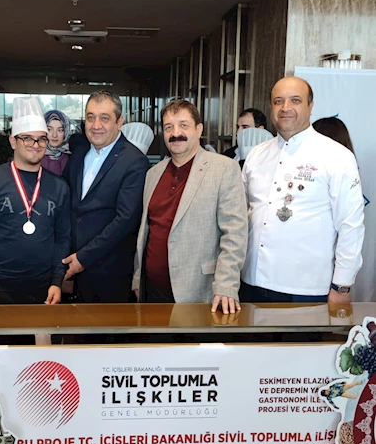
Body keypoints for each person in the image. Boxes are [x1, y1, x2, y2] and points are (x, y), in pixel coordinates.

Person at [241, 77, 365, 444]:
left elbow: (352, 224)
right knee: (259, 371)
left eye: (295, 100)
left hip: (306, 289)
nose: (286, 108)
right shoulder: (257, 154)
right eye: (278, 101)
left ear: (311, 106)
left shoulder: (335, 155)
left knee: (297, 379)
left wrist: (341, 286)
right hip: (254, 283)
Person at [133, 100, 248, 312]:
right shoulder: (153, 173)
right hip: (151, 292)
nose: (176, 133)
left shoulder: (224, 168)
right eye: (169, 127)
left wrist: (226, 286)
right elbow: (146, 231)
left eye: (183, 125)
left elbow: (235, 234)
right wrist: (138, 277)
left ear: (199, 129)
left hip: (198, 291)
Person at [0, 95, 70, 305]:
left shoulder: (59, 186)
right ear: (13, 141)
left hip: (43, 286)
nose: (36, 145)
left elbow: (63, 238)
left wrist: (57, 281)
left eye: (41, 139)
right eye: (27, 138)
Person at [64, 91, 149, 303]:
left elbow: (125, 220)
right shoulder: (78, 154)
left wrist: (84, 258)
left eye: (104, 118)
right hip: (73, 269)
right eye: (90, 117)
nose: (96, 125)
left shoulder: (134, 161)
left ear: (120, 122)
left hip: (109, 273)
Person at [42, 109, 71, 176]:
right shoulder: (35, 156)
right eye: (49, 129)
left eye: (60, 130)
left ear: (66, 132)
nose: (54, 135)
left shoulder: (72, 159)